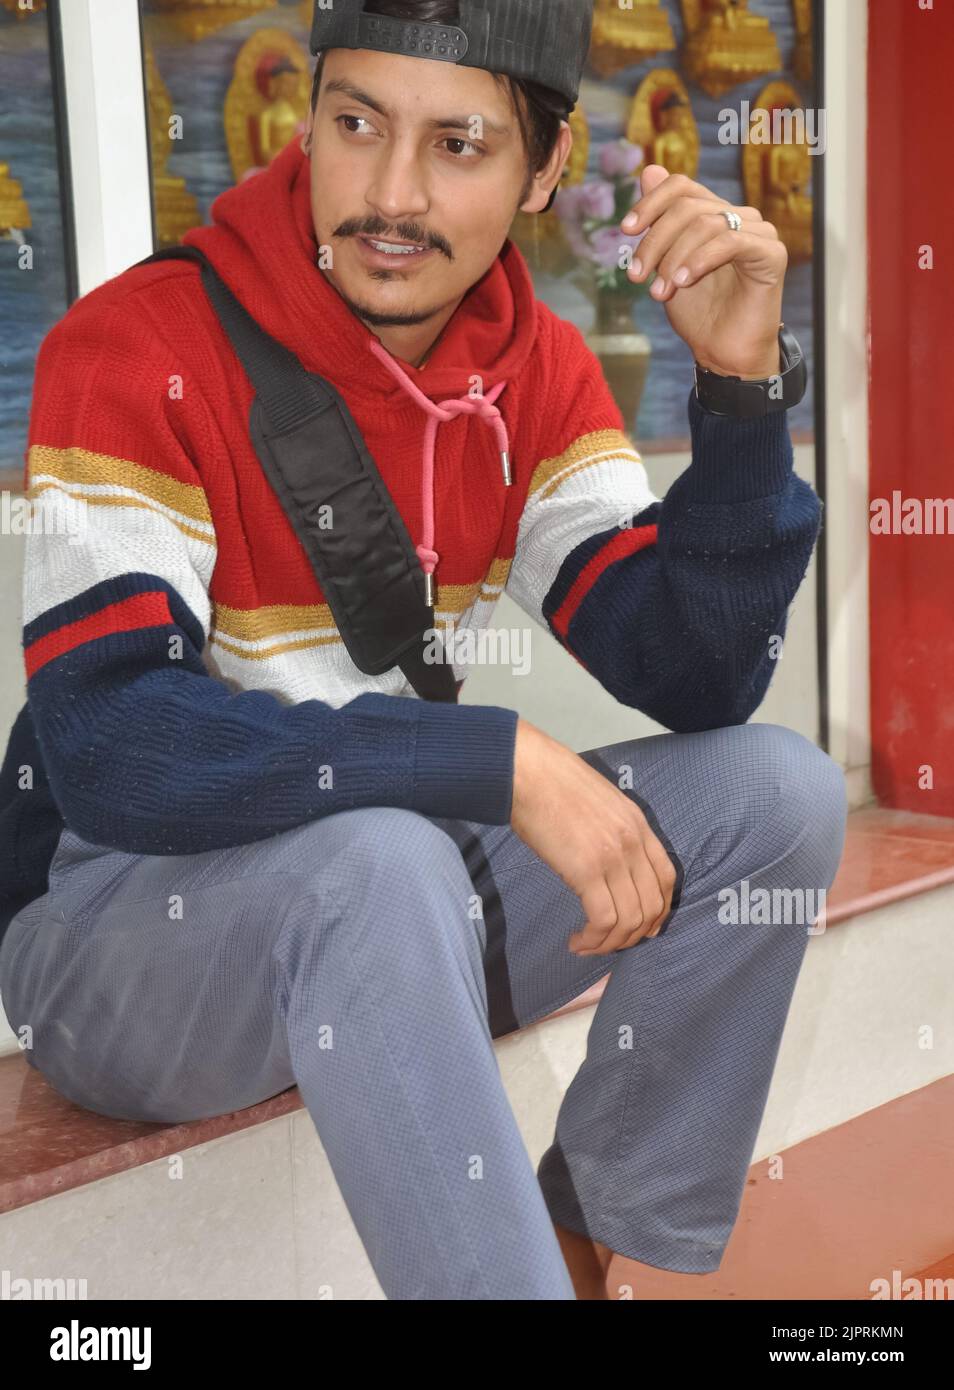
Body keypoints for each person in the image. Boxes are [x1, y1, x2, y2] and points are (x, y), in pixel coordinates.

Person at [0, 0, 846, 1300]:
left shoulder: (534, 370)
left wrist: (737, 398)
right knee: (381, 857)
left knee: (771, 794)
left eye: (456, 145)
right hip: (121, 924)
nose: (390, 194)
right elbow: (117, 746)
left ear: (545, 169)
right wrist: (494, 757)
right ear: (311, 113)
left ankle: (571, 1242)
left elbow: (692, 674)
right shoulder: (137, 347)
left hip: (381, 895)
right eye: (356, 125)